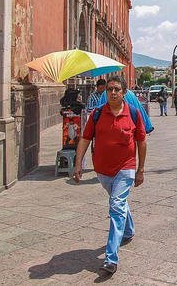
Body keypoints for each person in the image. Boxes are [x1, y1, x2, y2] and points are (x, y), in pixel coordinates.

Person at [73, 75, 146, 276]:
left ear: (124, 93)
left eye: (116, 90)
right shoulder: (97, 114)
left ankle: (111, 258)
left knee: (115, 206)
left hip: (126, 168)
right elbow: (85, 138)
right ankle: (128, 230)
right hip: (103, 170)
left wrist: (140, 169)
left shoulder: (133, 113)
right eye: (110, 89)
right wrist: (78, 164)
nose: (113, 93)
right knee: (119, 203)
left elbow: (141, 141)